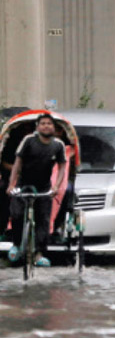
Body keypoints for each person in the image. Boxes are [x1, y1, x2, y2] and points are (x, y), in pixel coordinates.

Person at [6, 113, 67, 266]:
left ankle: (39, 253)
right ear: (37, 127)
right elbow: (17, 163)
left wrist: (56, 186)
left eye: (49, 124)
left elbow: (62, 167)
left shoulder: (58, 145)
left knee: (43, 220)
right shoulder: (28, 141)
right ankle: (16, 244)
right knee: (17, 214)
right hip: (23, 184)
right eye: (43, 123)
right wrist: (11, 184)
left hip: (44, 186)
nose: (46, 126)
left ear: (53, 127)